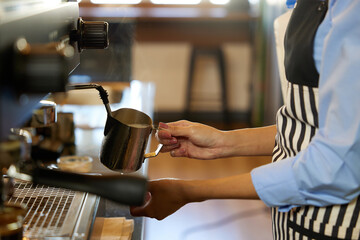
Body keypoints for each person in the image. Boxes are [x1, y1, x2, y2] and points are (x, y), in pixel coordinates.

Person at [130, 0, 360, 239]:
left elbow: (337, 165)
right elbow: (309, 127)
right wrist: (223, 141)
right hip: (294, 216)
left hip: (335, 224)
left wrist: (189, 191)